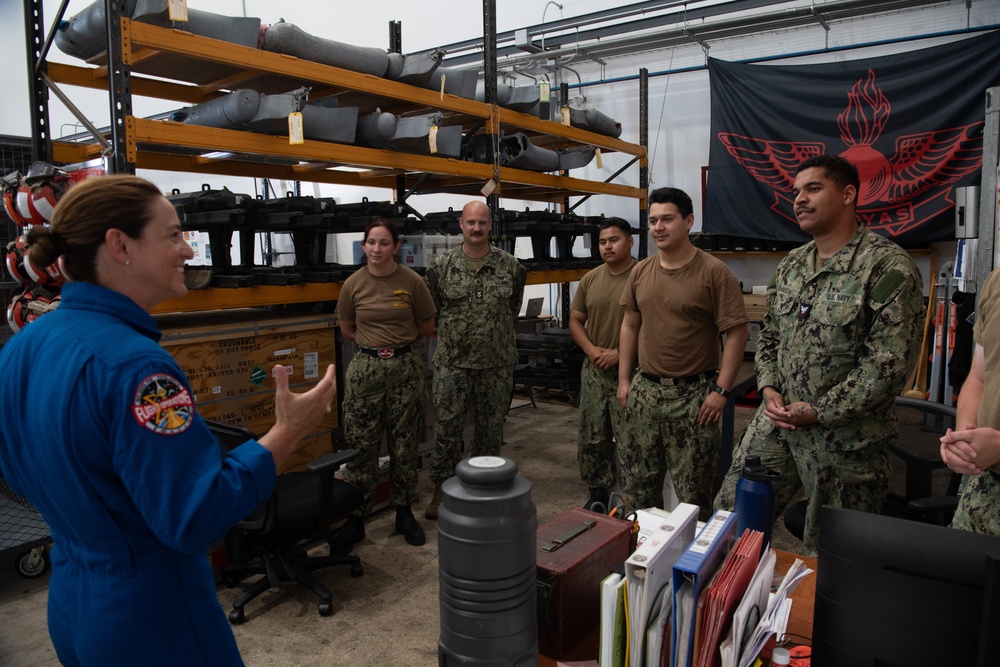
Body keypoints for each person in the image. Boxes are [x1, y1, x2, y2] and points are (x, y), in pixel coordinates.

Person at [0, 175, 336, 667]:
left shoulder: (23, 348)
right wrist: (288, 432)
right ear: (120, 246)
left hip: (74, 600)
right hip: (151, 615)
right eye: (174, 235)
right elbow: (193, 517)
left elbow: (16, 474)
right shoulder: (138, 368)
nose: (188, 250)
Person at [715, 154, 924, 555]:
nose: (799, 199)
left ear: (848, 195)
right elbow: (771, 335)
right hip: (778, 420)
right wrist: (769, 386)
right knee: (730, 521)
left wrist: (818, 411)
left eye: (813, 188)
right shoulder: (793, 265)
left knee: (833, 555)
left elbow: (888, 365)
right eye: (796, 191)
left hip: (843, 440)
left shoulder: (886, 267)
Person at [617, 187, 748, 520]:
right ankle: (643, 559)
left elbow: (735, 333)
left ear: (688, 221)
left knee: (694, 493)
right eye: (653, 220)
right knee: (638, 487)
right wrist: (623, 380)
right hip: (645, 391)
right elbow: (630, 325)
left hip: (694, 396)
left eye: (667, 219)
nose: (659, 227)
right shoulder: (641, 271)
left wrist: (721, 390)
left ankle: (690, 567)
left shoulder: (714, 273)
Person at [329, 217, 436, 552]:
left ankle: (403, 512)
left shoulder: (412, 281)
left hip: (405, 367)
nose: (377, 249)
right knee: (362, 447)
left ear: (396, 246)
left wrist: (397, 343)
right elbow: (346, 327)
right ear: (364, 246)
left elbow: (426, 323)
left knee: (405, 445)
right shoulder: (353, 284)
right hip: (366, 369)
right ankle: (356, 519)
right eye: (371, 243)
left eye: (384, 243)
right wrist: (375, 346)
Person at [423, 199, 527, 519]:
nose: (477, 228)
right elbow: (433, 314)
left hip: (496, 364)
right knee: (447, 429)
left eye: (482, 223)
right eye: (471, 223)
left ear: (490, 226)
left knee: (490, 430)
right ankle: (442, 488)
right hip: (453, 364)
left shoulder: (511, 266)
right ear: (461, 225)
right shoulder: (440, 267)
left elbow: (512, 310)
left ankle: (486, 486)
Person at [939, 162, 1000, 537]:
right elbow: (979, 374)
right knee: (962, 592)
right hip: (986, 490)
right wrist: (965, 434)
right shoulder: (996, 283)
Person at [569, 217, 636, 512]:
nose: (607, 246)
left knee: (632, 438)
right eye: (602, 241)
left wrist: (621, 353)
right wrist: (590, 349)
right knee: (592, 437)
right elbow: (575, 320)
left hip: (633, 372)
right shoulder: (590, 279)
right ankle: (597, 493)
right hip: (595, 371)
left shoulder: (643, 275)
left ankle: (635, 497)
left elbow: (654, 325)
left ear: (630, 242)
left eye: (614, 240)